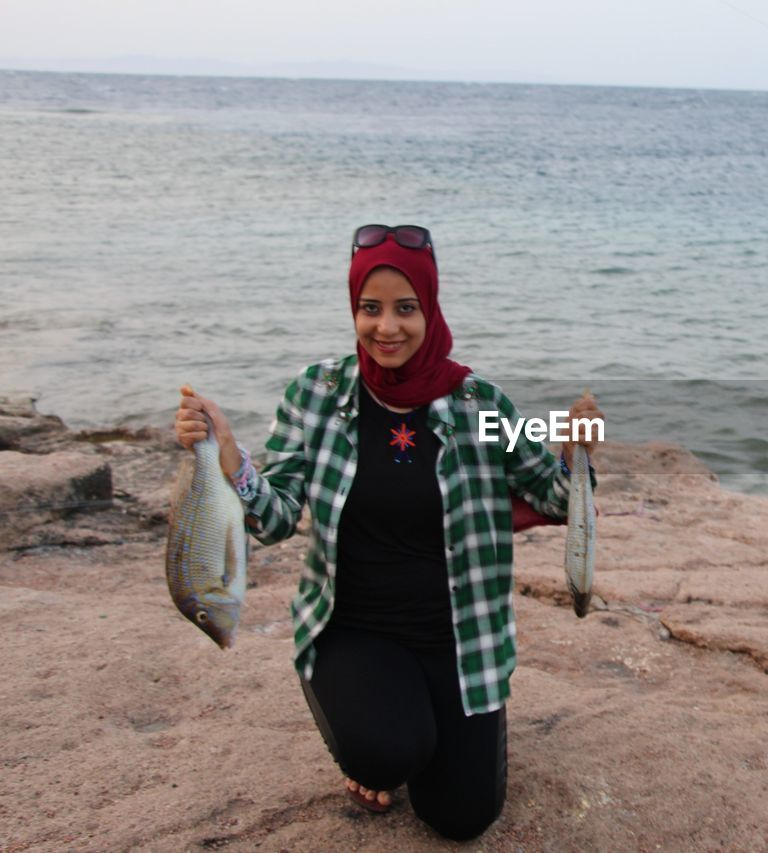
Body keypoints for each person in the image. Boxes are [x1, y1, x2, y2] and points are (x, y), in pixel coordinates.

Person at [173, 224, 602, 841]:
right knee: (384, 753)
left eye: (406, 309)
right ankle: (361, 728)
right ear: (354, 310)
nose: (387, 328)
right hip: (354, 630)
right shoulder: (315, 394)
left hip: (460, 642)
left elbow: (556, 497)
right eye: (369, 309)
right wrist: (232, 461)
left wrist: (575, 452)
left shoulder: (488, 405)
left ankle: (433, 732)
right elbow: (273, 519)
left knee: (462, 819)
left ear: (430, 308)